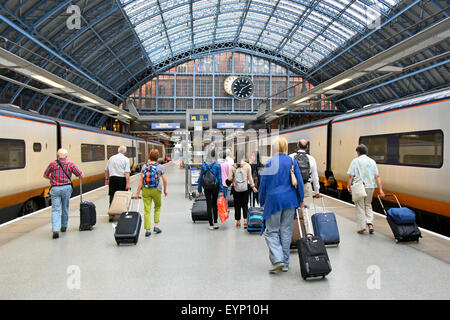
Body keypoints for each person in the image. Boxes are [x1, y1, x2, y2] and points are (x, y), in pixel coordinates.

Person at [259, 137, 304, 273]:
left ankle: (278, 259)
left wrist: (261, 200)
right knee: (286, 231)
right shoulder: (291, 161)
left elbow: (264, 183)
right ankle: (285, 264)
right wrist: (301, 199)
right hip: (290, 201)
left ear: (274, 148)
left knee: (272, 231)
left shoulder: (270, 162)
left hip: (274, 201)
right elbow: (299, 181)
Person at [43, 148, 83, 239]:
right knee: (65, 207)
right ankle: (64, 226)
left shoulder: (52, 164)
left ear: (57, 156)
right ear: (66, 156)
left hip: (55, 189)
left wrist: (52, 179)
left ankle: (55, 229)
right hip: (66, 188)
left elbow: (45, 175)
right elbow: (80, 175)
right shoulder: (70, 164)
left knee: (55, 210)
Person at [347, 144, 385, 235]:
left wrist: (348, 186)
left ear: (358, 152)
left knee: (360, 206)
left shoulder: (355, 161)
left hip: (360, 187)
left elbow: (350, 176)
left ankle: (362, 228)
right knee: (368, 204)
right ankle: (370, 224)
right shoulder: (372, 161)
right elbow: (377, 176)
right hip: (370, 187)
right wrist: (381, 190)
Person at [289, 139, 320, 235]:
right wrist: (317, 191)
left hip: (293, 186)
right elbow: (315, 177)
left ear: (297, 146)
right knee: (305, 210)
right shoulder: (311, 159)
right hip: (306, 186)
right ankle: (308, 233)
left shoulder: (291, 157)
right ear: (307, 148)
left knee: (292, 211)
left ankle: (293, 234)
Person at [134, 149, 168, 237]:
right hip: (157, 190)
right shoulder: (160, 167)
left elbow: (141, 181)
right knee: (157, 207)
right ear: (158, 157)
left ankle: (147, 230)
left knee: (147, 210)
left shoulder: (145, 167)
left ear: (149, 156)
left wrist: (137, 193)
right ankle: (156, 226)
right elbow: (164, 180)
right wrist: (165, 190)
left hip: (146, 190)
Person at [228, 150, 257, 228]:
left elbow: (230, 178)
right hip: (245, 188)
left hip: (236, 188)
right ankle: (245, 220)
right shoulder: (247, 166)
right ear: (243, 156)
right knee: (245, 205)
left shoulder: (233, 167)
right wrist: (253, 186)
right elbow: (250, 178)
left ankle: (238, 222)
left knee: (237, 205)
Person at [198, 148, 225, 230]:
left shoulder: (204, 165)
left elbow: (200, 178)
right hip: (215, 186)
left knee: (208, 204)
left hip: (206, 187)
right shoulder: (217, 165)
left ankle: (210, 224)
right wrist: (221, 190)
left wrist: (199, 189)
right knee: (214, 204)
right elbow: (220, 178)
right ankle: (216, 222)